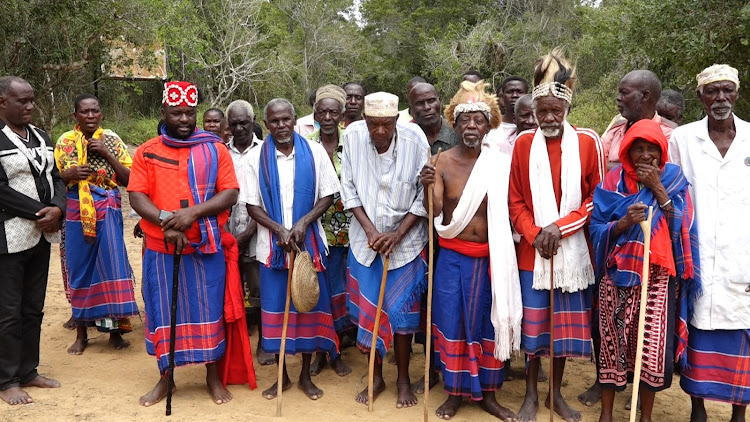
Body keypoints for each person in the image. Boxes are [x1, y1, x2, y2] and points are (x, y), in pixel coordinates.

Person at [128, 81, 238, 406]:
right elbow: (136, 196)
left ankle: (212, 377)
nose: (185, 120)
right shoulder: (147, 151)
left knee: (209, 310)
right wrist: (167, 221)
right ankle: (167, 379)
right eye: (177, 113)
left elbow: (230, 193)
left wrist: (192, 214)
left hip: (205, 248)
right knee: (164, 312)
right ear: (163, 112)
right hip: (161, 249)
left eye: (190, 113)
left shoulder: (215, 148)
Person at [509, 50, 605, 422]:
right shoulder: (522, 145)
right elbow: (515, 202)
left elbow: (599, 199)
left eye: (556, 111)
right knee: (535, 332)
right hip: (534, 253)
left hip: (571, 253)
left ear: (566, 108)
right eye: (542, 111)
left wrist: (559, 229)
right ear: (534, 109)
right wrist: (536, 234)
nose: (549, 117)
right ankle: (531, 395)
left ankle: (554, 396)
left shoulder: (587, 142)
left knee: (561, 334)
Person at [420, 80, 520, 421]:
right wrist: (426, 184)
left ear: (489, 124)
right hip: (452, 259)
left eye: (479, 120)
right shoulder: (441, 162)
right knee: (452, 322)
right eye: (465, 120)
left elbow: (513, 208)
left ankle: (489, 395)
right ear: (455, 124)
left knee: (485, 325)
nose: (472, 126)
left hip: (491, 260)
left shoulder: (499, 163)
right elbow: (434, 212)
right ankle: (453, 394)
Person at [590, 119, 701, 422]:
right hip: (616, 275)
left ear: (661, 152)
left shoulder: (674, 179)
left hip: (657, 277)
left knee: (650, 349)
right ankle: (607, 413)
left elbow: (683, 223)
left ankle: (646, 416)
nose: (645, 156)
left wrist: (657, 189)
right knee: (612, 344)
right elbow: (597, 227)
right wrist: (623, 222)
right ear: (626, 152)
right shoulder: (612, 182)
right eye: (637, 149)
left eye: (651, 150)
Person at [244, 98, 340, 401]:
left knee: (306, 309)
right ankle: (282, 377)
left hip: (307, 247)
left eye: (286, 119)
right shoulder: (255, 158)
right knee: (274, 314)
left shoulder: (314, 152)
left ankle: (304, 377)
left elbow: (328, 194)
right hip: (272, 249)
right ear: (267, 123)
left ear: (295, 119)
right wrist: (279, 230)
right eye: (274, 121)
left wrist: (302, 223)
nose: (281, 126)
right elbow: (251, 204)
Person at [671, 64, 749, 422]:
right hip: (698, 256)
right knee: (698, 332)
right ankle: (697, 409)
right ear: (700, 97)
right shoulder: (683, 140)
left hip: (742, 257)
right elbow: (672, 192)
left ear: (737, 93)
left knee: (743, 336)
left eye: (727, 90)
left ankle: (738, 413)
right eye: (713, 91)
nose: (721, 98)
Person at [341, 91, 429, 408]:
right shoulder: (351, 137)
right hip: (366, 242)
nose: (380, 132)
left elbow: (424, 195)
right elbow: (348, 188)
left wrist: (398, 234)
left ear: (396, 120)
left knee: (402, 316)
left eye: (386, 125)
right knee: (370, 314)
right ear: (364, 120)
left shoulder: (416, 139)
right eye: (374, 124)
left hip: (405, 243)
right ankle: (375, 376)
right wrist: (370, 230)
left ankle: (403, 379)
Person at [54, 94, 139, 355]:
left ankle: (114, 331)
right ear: (75, 116)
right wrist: (65, 175)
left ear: (101, 114)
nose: (90, 116)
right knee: (81, 268)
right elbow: (52, 178)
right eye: (85, 112)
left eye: (95, 111)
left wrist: (105, 153)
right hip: (76, 208)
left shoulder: (112, 140)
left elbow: (130, 178)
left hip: (108, 208)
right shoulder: (65, 141)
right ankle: (82, 333)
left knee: (111, 267)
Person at [0, 76, 65, 406]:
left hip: (41, 236)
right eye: (21, 101)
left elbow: (57, 177)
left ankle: (28, 370)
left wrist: (58, 208)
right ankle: (7, 379)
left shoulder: (42, 136)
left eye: (31, 100)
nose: (29, 106)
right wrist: (42, 210)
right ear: (2, 104)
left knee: (33, 308)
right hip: (9, 238)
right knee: (8, 311)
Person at [303, 85, 355, 378]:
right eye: (321, 111)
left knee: (343, 293)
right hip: (318, 232)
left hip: (353, 233)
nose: (326, 116)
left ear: (342, 114)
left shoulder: (356, 142)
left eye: (332, 111)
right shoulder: (306, 144)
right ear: (314, 112)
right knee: (321, 294)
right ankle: (325, 353)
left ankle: (339, 349)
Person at [224, 100, 272, 365]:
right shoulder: (221, 152)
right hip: (228, 233)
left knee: (259, 291)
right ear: (227, 126)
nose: (240, 128)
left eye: (244, 122)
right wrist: (230, 237)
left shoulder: (266, 150)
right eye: (234, 124)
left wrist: (248, 234)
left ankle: (265, 344)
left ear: (253, 122)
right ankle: (234, 348)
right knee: (230, 291)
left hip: (258, 232)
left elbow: (268, 197)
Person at [601, 70, 676, 171]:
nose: (618, 98)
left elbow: (659, 173)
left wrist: (610, 168)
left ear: (645, 96)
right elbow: (595, 164)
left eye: (624, 93)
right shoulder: (615, 130)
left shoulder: (670, 135)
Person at [407, 82, 459, 155]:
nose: (427, 107)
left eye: (431, 100)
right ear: (411, 109)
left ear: (440, 102)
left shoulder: (458, 132)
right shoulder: (407, 138)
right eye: (419, 103)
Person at [488, 76, 529, 155]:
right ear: (502, 96)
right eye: (510, 92)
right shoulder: (491, 126)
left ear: (526, 95)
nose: (514, 95)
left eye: (519, 92)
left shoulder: (533, 125)